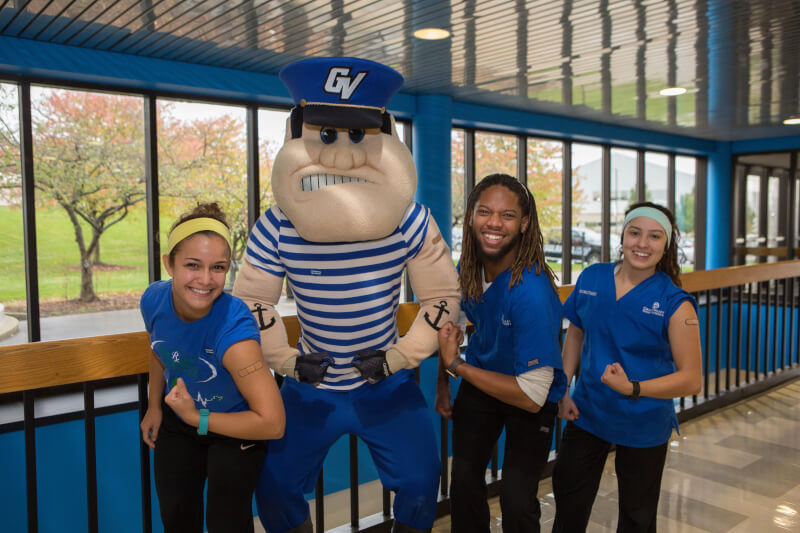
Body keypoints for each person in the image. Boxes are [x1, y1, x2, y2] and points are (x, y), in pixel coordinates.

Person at [232, 57, 460, 533]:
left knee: (423, 479)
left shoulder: (410, 220)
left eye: (358, 136)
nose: (341, 154)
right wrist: (288, 361)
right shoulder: (276, 225)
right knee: (272, 487)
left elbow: (441, 294)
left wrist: (398, 358)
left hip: (387, 384)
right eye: (326, 136)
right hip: (311, 385)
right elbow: (252, 301)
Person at [551, 201, 703, 533]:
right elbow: (576, 332)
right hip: (587, 412)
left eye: (654, 236)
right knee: (568, 503)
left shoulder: (674, 302)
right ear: (622, 237)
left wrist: (633, 388)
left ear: (666, 246)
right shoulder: (592, 278)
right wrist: (563, 390)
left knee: (637, 517)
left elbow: (692, 380)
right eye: (634, 233)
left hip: (643, 423)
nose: (642, 244)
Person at [139, 202, 286, 533]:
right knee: (176, 515)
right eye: (193, 265)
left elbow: (273, 423)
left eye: (218, 268)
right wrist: (154, 406)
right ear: (169, 264)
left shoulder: (234, 332)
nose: (205, 280)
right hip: (181, 422)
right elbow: (158, 348)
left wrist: (197, 417)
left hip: (235, 427)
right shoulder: (153, 300)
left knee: (226, 522)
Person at [436, 173, 567, 533]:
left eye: (507, 215)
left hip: (529, 393)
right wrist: (443, 384)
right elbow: (450, 329)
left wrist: (457, 368)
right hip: (482, 383)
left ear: (524, 223)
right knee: (462, 480)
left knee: (516, 498)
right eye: (484, 211)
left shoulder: (532, 294)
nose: (494, 222)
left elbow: (530, 396)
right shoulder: (468, 268)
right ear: (471, 217)